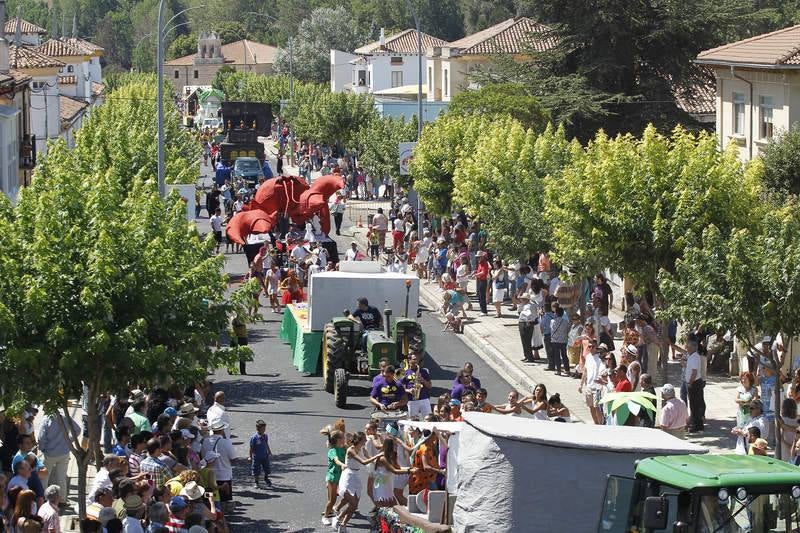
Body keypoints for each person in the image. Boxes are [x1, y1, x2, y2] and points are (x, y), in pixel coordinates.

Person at [332, 432, 381, 532]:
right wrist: (378, 455)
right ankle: (339, 519)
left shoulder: (362, 448)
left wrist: (380, 463)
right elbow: (363, 462)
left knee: (353, 505)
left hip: (356, 477)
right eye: (364, 439)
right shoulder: (351, 450)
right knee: (353, 504)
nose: (366, 440)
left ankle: (342, 523)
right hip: (348, 477)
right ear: (359, 440)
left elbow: (368, 458)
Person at [37, 412, 79, 506]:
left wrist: (43, 448)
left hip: (49, 453)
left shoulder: (46, 419)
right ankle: (62, 500)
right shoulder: (65, 417)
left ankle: (44, 499)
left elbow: (41, 437)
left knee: (44, 477)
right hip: (64, 452)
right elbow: (78, 430)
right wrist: (68, 441)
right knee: (62, 477)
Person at [322, 431, 347, 527]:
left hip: (341, 477)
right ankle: (325, 516)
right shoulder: (332, 451)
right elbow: (336, 460)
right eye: (343, 437)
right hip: (333, 478)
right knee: (332, 500)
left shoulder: (344, 448)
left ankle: (335, 509)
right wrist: (342, 465)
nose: (344, 439)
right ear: (338, 440)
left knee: (346, 496)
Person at [579, 340, 605, 425]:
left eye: (592, 346)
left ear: (596, 346)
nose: (590, 348)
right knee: (591, 406)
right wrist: (581, 384)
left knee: (597, 407)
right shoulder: (588, 357)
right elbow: (585, 371)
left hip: (597, 387)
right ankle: (595, 423)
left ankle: (600, 424)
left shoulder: (600, 358)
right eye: (589, 346)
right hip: (589, 386)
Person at [401, 353, 433, 419]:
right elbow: (401, 389)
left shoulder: (423, 371)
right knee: (413, 420)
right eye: (414, 359)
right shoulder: (405, 373)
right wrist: (408, 390)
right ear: (409, 360)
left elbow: (430, 386)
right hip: (411, 400)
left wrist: (423, 380)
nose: (416, 361)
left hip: (424, 399)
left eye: (417, 359)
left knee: (429, 419)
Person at [684, 340, 704, 433]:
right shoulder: (691, 356)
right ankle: (698, 424)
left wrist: (690, 382)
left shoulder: (695, 357)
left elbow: (694, 372)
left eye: (688, 346)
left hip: (694, 383)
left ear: (692, 347)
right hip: (694, 382)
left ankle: (695, 425)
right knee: (695, 404)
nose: (686, 348)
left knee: (694, 405)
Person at [249, 420, 272, 489]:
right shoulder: (254, 438)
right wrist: (250, 457)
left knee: (267, 468)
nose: (264, 430)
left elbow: (266, 444)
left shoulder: (265, 436)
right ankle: (256, 482)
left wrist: (269, 451)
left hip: (265, 456)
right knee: (256, 470)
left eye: (265, 428)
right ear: (258, 429)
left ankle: (266, 478)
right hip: (257, 457)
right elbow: (251, 448)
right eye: (263, 429)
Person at [517, 293, 538, 363]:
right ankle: (527, 356)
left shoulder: (528, 306)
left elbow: (529, 315)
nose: (521, 300)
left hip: (525, 324)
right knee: (525, 341)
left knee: (526, 341)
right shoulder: (528, 305)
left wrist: (528, 321)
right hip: (525, 323)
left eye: (522, 299)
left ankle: (529, 357)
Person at [549, 306, 570, 375]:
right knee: (564, 355)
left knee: (557, 356)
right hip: (563, 340)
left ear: (556, 313)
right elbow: (567, 330)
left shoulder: (552, 321)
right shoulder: (566, 321)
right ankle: (567, 370)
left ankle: (558, 370)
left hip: (555, 341)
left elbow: (551, 329)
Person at [474, 252, 490, 316]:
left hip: (483, 281)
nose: (478, 258)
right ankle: (482, 310)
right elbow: (480, 271)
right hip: (479, 280)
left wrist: (476, 274)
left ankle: (484, 311)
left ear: (482, 257)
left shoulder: (484, 263)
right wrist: (475, 272)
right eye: (478, 257)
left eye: (479, 257)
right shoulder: (480, 263)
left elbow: (484, 272)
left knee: (482, 296)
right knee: (479, 296)